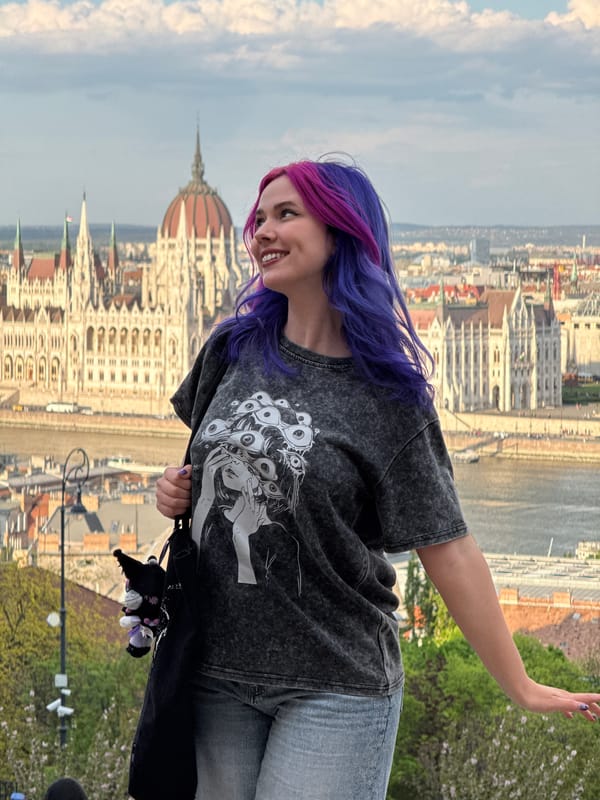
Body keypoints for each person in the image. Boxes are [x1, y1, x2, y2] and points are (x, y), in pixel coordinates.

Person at [155, 157, 600, 800]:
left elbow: (448, 548)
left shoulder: (388, 395)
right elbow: (205, 465)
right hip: (213, 672)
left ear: (340, 231)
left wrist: (520, 684)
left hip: (334, 683)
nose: (262, 231)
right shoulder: (231, 349)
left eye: (286, 214)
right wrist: (174, 489)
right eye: (258, 219)